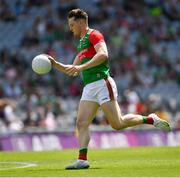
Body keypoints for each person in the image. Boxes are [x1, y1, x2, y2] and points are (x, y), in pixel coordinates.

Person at [47, 8, 171, 169]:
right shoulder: (81, 44)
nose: (70, 28)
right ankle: (82, 159)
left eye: (72, 24)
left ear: (81, 22)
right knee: (81, 123)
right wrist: (55, 64)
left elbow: (103, 54)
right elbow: (72, 69)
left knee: (117, 124)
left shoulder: (94, 35)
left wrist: (82, 67)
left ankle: (150, 119)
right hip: (89, 87)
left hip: (102, 83)